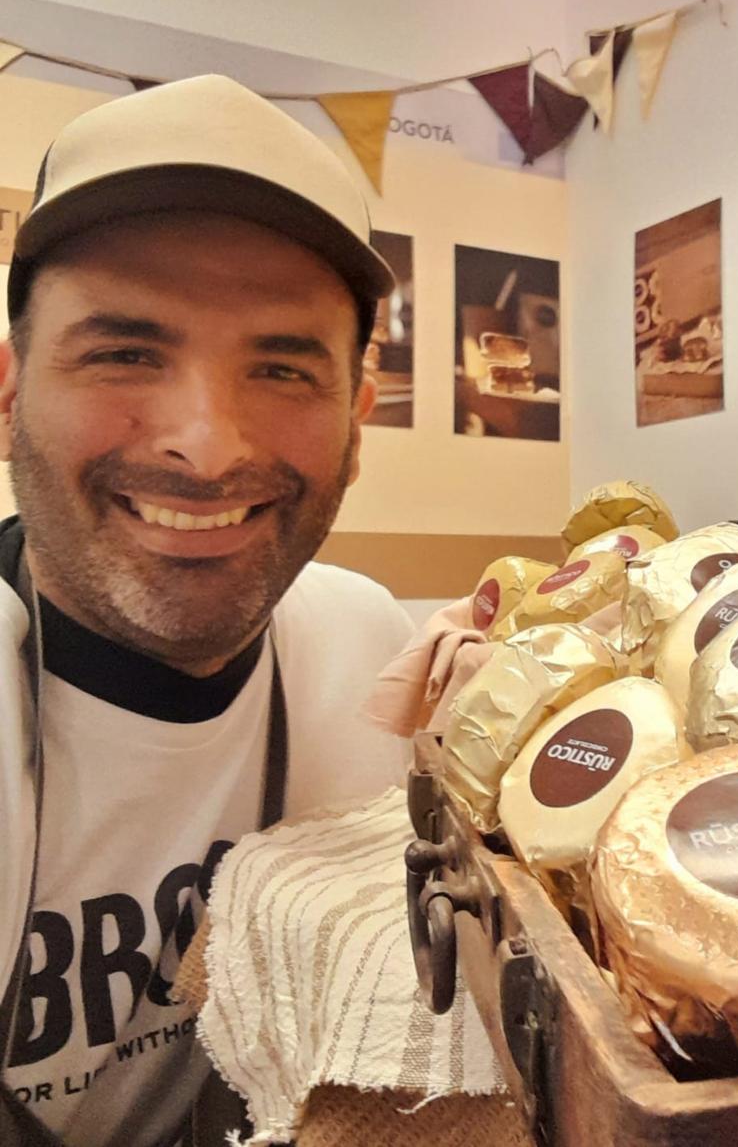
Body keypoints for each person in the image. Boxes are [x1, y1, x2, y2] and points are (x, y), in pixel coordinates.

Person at [0, 76, 415, 1146]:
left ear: (358, 423)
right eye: (125, 353)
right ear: (9, 391)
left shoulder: (370, 652)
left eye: (281, 367)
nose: (208, 444)